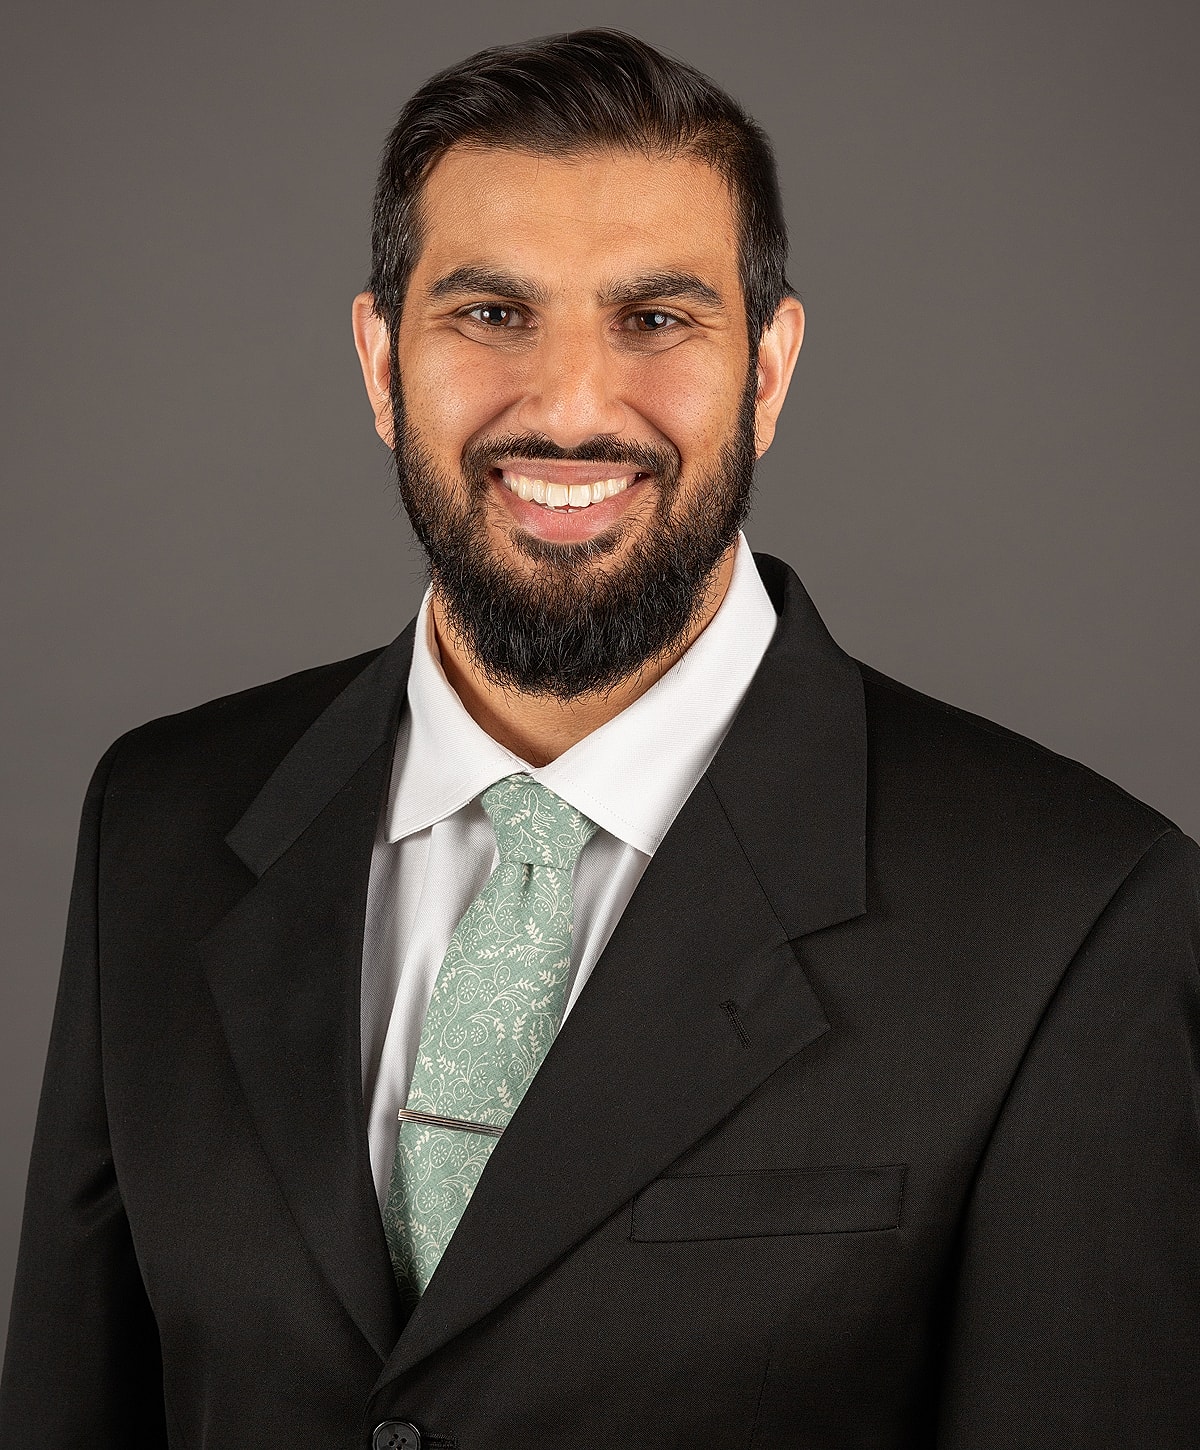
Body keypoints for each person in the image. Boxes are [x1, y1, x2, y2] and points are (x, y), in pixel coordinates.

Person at [1, 27, 1197, 1450]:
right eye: (491, 314)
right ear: (383, 360)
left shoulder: (1077, 917)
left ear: (768, 364)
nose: (570, 406)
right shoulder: (158, 819)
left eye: (656, 318)